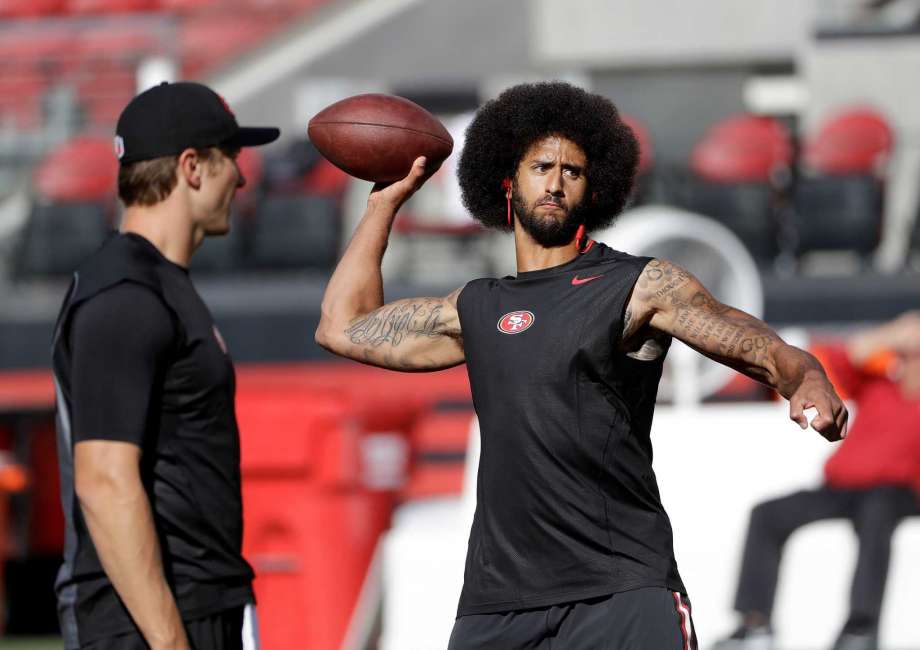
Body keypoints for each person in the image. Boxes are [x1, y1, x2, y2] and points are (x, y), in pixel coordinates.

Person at [315, 81, 848, 649]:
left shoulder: (638, 285)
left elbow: (738, 331)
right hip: (498, 604)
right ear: (507, 180)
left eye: (573, 171)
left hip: (619, 591)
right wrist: (383, 203)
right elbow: (340, 327)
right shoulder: (475, 306)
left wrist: (801, 372)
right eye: (542, 166)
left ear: (592, 189)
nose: (556, 181)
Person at [52, 81, 279, 650]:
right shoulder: (125, 294)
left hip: (201, 605)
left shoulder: (158, 284)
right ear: (192, 166)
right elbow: (104, 481)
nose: (242, 177)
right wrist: (170, 641)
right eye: (232, 158)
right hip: (149, 621)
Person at [714, 312, 920, 650]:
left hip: (898, 492)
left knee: (878, 512)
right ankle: (755, 625)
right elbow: (837, 359)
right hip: (842, 489)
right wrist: (893, 333)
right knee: (768, 514)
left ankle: (861, 628)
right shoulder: (880, 386)